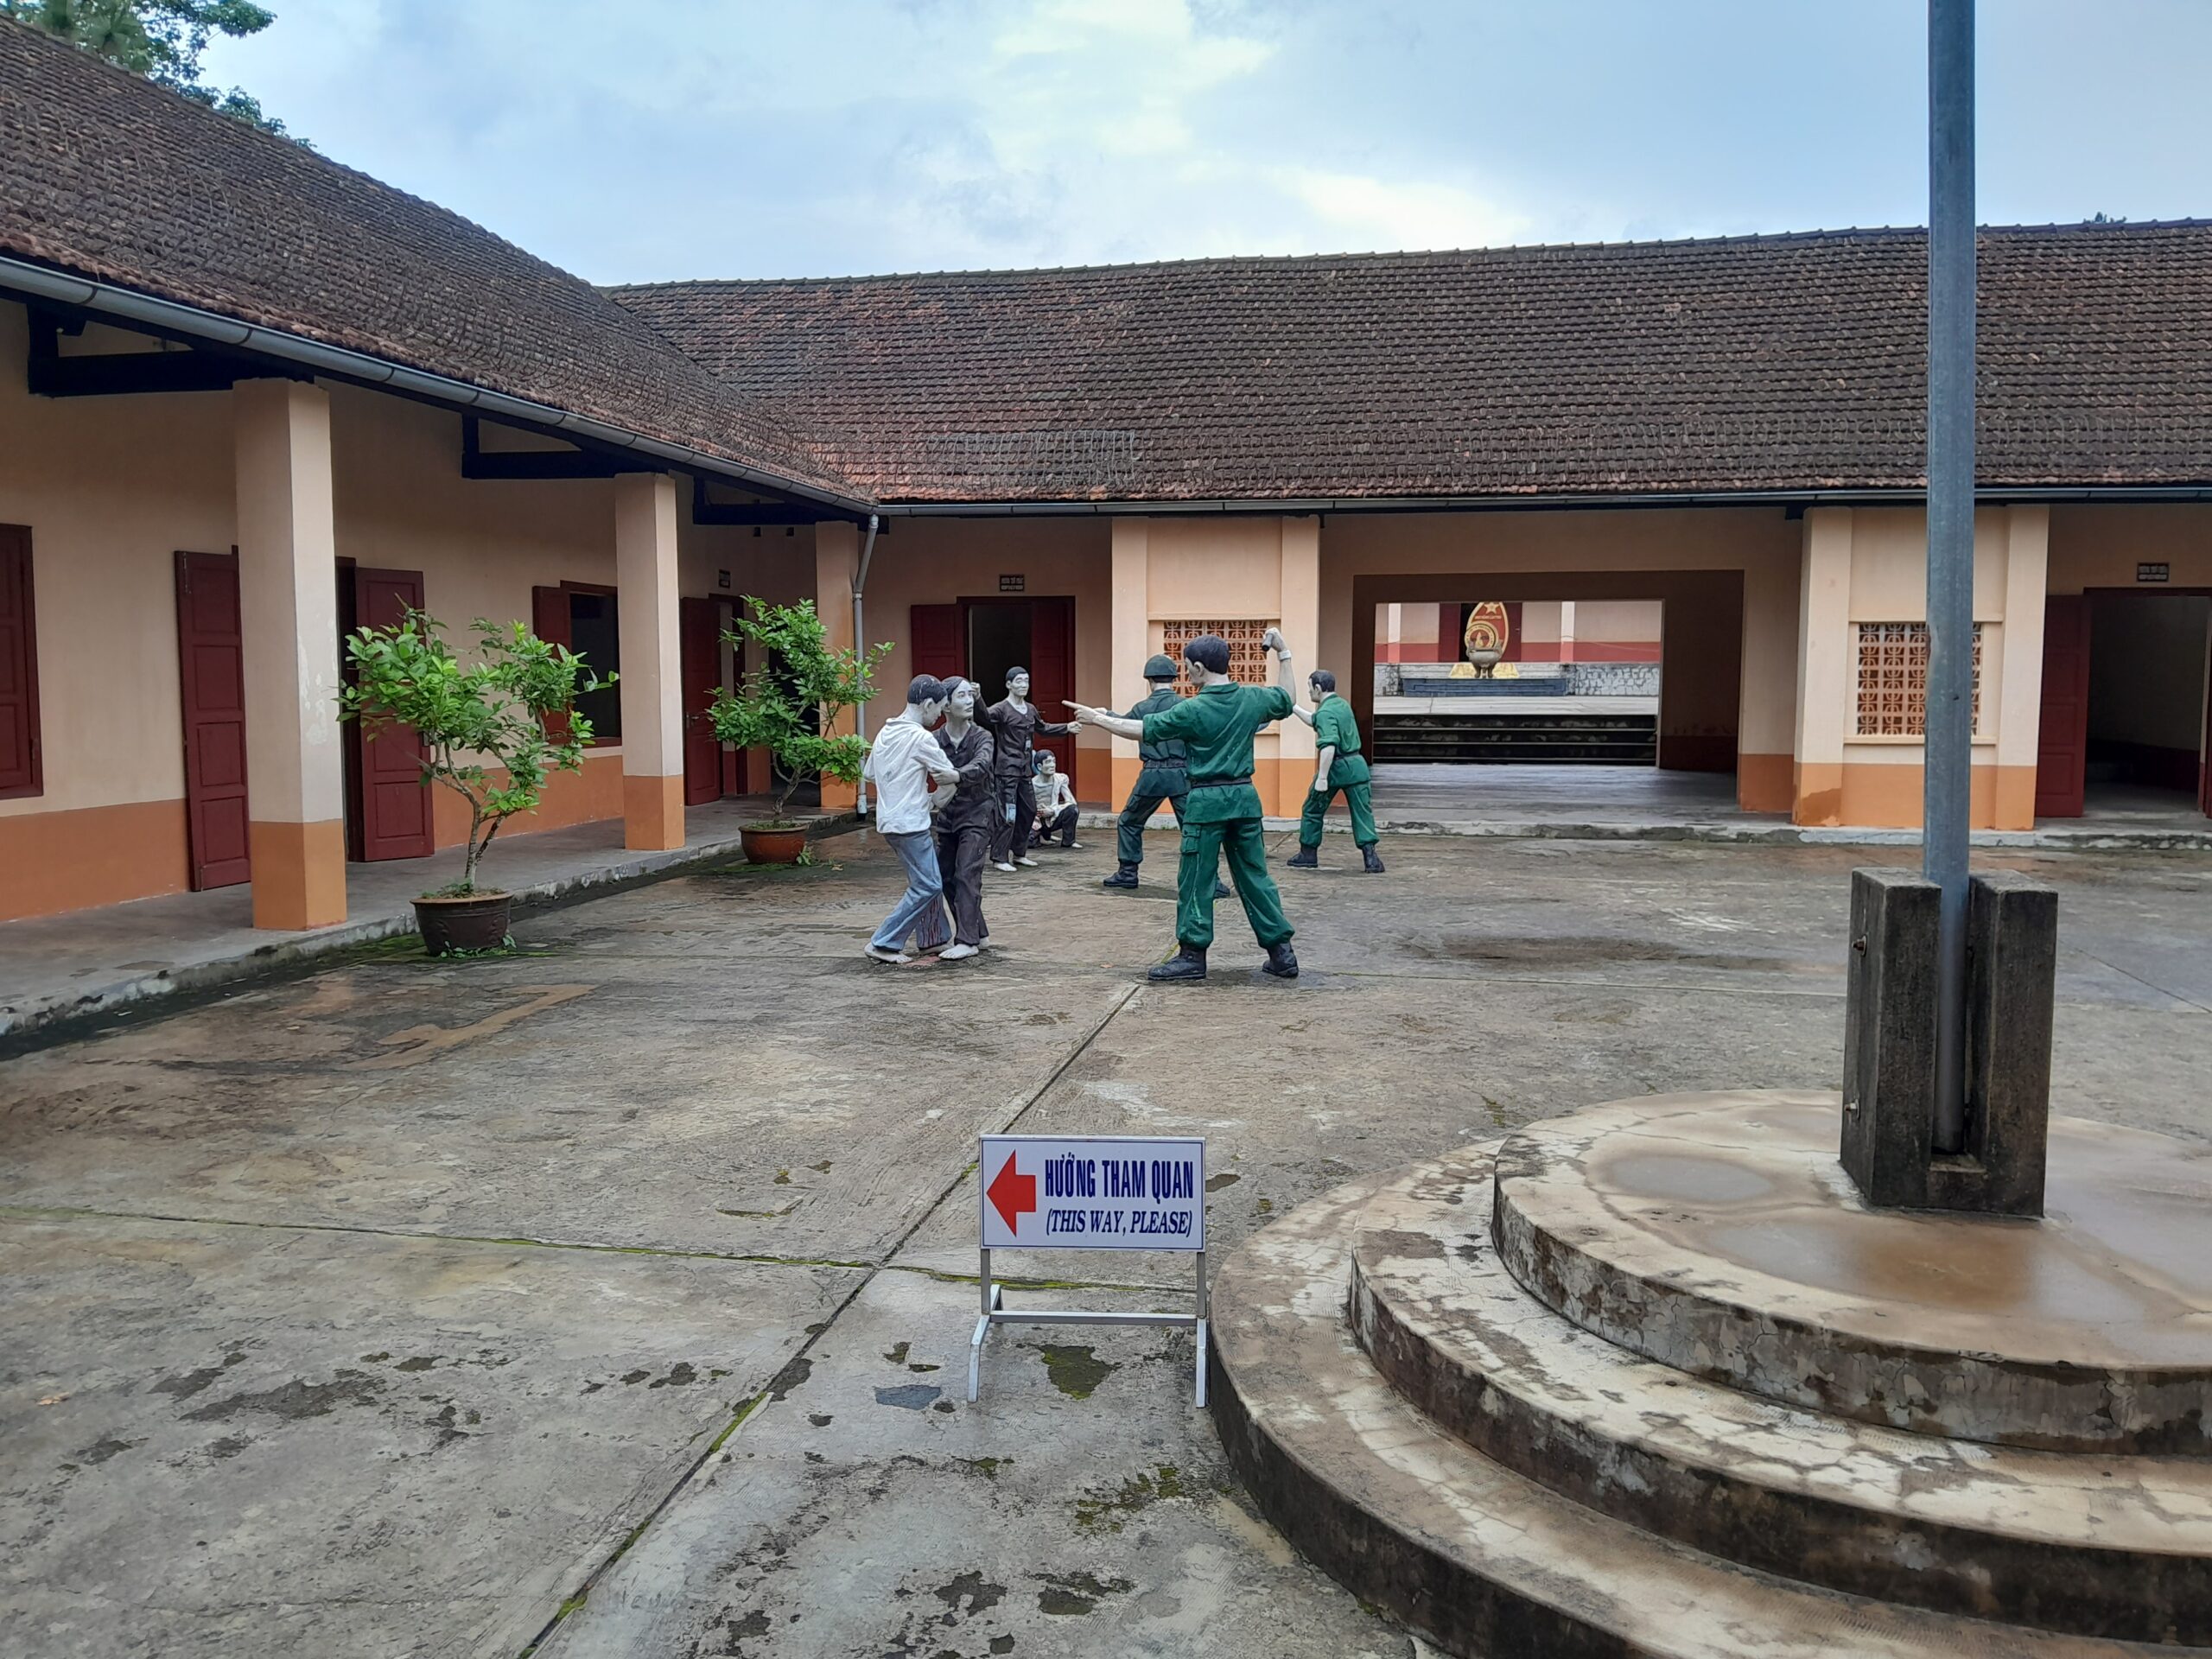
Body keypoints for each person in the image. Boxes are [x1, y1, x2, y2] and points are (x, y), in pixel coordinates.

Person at [1065, 630, 1300, 983]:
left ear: (1200, 668)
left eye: (1188, 667)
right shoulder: (1252, 698)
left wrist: (1098, 719)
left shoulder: (1193, 709)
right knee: (1255, 877)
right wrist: (1283, 653)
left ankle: (1192, 956)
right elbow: (1288, 699)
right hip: (1245, 800)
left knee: (1196, 879)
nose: (1186, 673)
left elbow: (1141, 729)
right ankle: (1282, 953)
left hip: (1206, 803)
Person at [1100, 653, 1230, 899]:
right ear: (1174, 678)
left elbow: (1124, 725)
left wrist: (1105, 714)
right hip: (1182, 775)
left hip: (1152, 775)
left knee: (1129, 821)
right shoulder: (1186, 705)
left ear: (1149, 680)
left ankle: (1128, 873)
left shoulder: (1142, 708)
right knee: (1194, 829)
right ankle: (1210, 882)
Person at [859, 676, 960, 964]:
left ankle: (934, 938)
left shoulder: (885, 732)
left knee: (926, 878)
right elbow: (949, 776)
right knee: (928, 885)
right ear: (927, 704)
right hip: (911, 823)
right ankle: (883, 942)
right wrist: (934, 799)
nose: (940, 715)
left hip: (889, 820)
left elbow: (869, 774)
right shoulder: (921, 737)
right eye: (939, 708)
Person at [911, 677, 995, 960]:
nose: (969, 701)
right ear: (946, 705)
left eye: (971, 695)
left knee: (967, 873)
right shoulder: (935, 739)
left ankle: (967, 941)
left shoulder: (982, 736)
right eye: (962, 696)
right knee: (944, 876)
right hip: (947, 816)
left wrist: (956, 775)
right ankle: (977, 932)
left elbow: (982, 765)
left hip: (978, 813)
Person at [1285, 668, 1386, 874]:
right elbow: (1315, 720)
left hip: (1336, 767)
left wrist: (1322, 777)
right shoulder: (1341, 705)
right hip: (1357, 766)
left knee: (1313, 809)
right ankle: (1371, 858)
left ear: (1318, 688)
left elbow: (1329, 745)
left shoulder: (1325, 712)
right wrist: (1294, 707)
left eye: (1310, 688)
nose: (1309, 692)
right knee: (1362, 812)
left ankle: (1308, 853)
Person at [979, 666, 1079, 873]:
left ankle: (1019, 853)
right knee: (1008, 814)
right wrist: (977, 697)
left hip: (1024, 769)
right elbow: (984, 717)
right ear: (1009, 684)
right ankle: (999, 857)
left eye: (1026, 681)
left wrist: (1067, 727)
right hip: (1007, 770)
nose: (1024, 685)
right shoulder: (1002, 709)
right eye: (1019, 681)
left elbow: (1043, 728)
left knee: (1029, 810)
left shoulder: (1031, 709)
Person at [1031, 752, 1081, 849]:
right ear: (1040, 766)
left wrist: (1053, 810)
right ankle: (1041, 836)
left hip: (1053, 817)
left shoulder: (1060, 779)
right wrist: (1038, 813)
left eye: (1054, 761)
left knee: (1073, 810)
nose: (1052, 765)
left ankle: (1069, 841)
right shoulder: (1032, 784)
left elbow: (1071, 802)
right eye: (1048, 762)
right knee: (1029, 843)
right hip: (1036, 820)